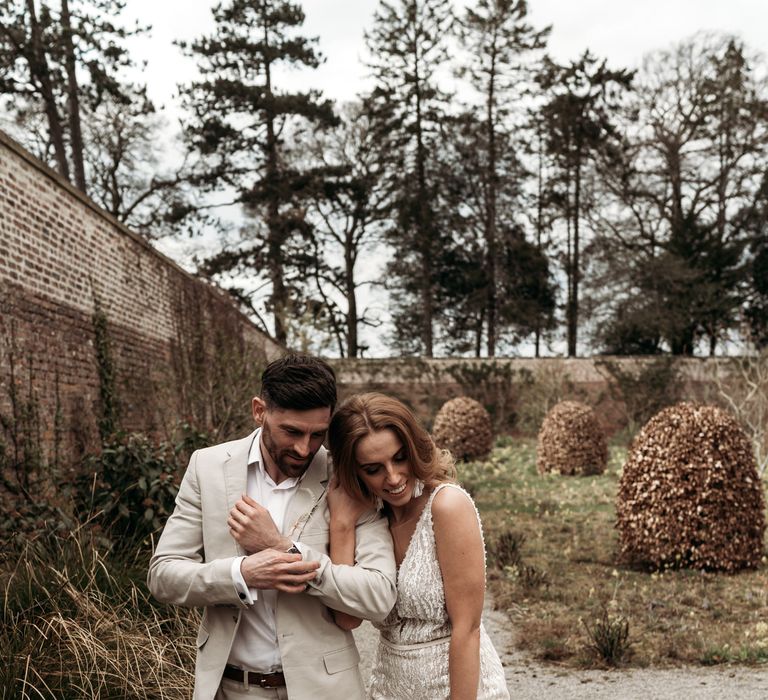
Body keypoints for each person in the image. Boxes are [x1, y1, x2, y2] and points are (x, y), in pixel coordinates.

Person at [148, 355, 397, 700]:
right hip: (232, 688)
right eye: (292, 431)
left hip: (324, 690)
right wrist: (241, 574)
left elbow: (379, 596)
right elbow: (163, 576)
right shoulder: (207, 468)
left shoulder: (346, 476)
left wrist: (284, 549)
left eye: (317, 435)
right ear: (259, 411)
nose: (304, 448)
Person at [326, 392, 509, 700]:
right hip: (388, 688)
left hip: (455, 689)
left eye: (400, 458)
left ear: (413, 447)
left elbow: (468, 629)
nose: (394, 477)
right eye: (373, 469)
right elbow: (347, 618)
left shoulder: (447, 505)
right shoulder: (370, 518)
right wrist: (342, 526)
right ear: (353, 471)